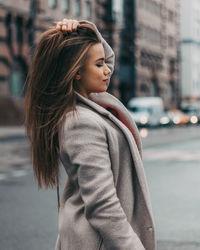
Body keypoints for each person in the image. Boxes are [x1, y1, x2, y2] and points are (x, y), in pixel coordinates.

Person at [25, 18, 156, 250]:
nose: (107, 70)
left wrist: (87, 29)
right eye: (98, 65)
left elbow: (106, 59)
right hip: (97, 242)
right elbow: (103, 206)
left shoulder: (89, 100)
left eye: (104, 63)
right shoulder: (80, 123)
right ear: (75, 72)